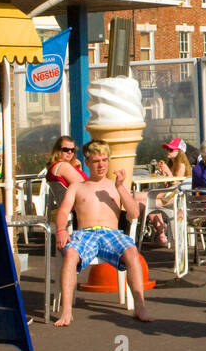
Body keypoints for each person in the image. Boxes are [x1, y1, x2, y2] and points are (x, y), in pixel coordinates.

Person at [52, 140, 153, 327]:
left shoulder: (116, 186)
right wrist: (61, 230)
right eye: (96, 161)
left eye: (105, 160)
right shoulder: (77, 186)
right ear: (88, 162)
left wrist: (121, 187)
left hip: (111, 234)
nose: (101, 165)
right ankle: (66, 311)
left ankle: (140, 306)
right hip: (85, 234)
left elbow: (134, 213)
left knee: (132, 252)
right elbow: (63, 212)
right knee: (71, 253)